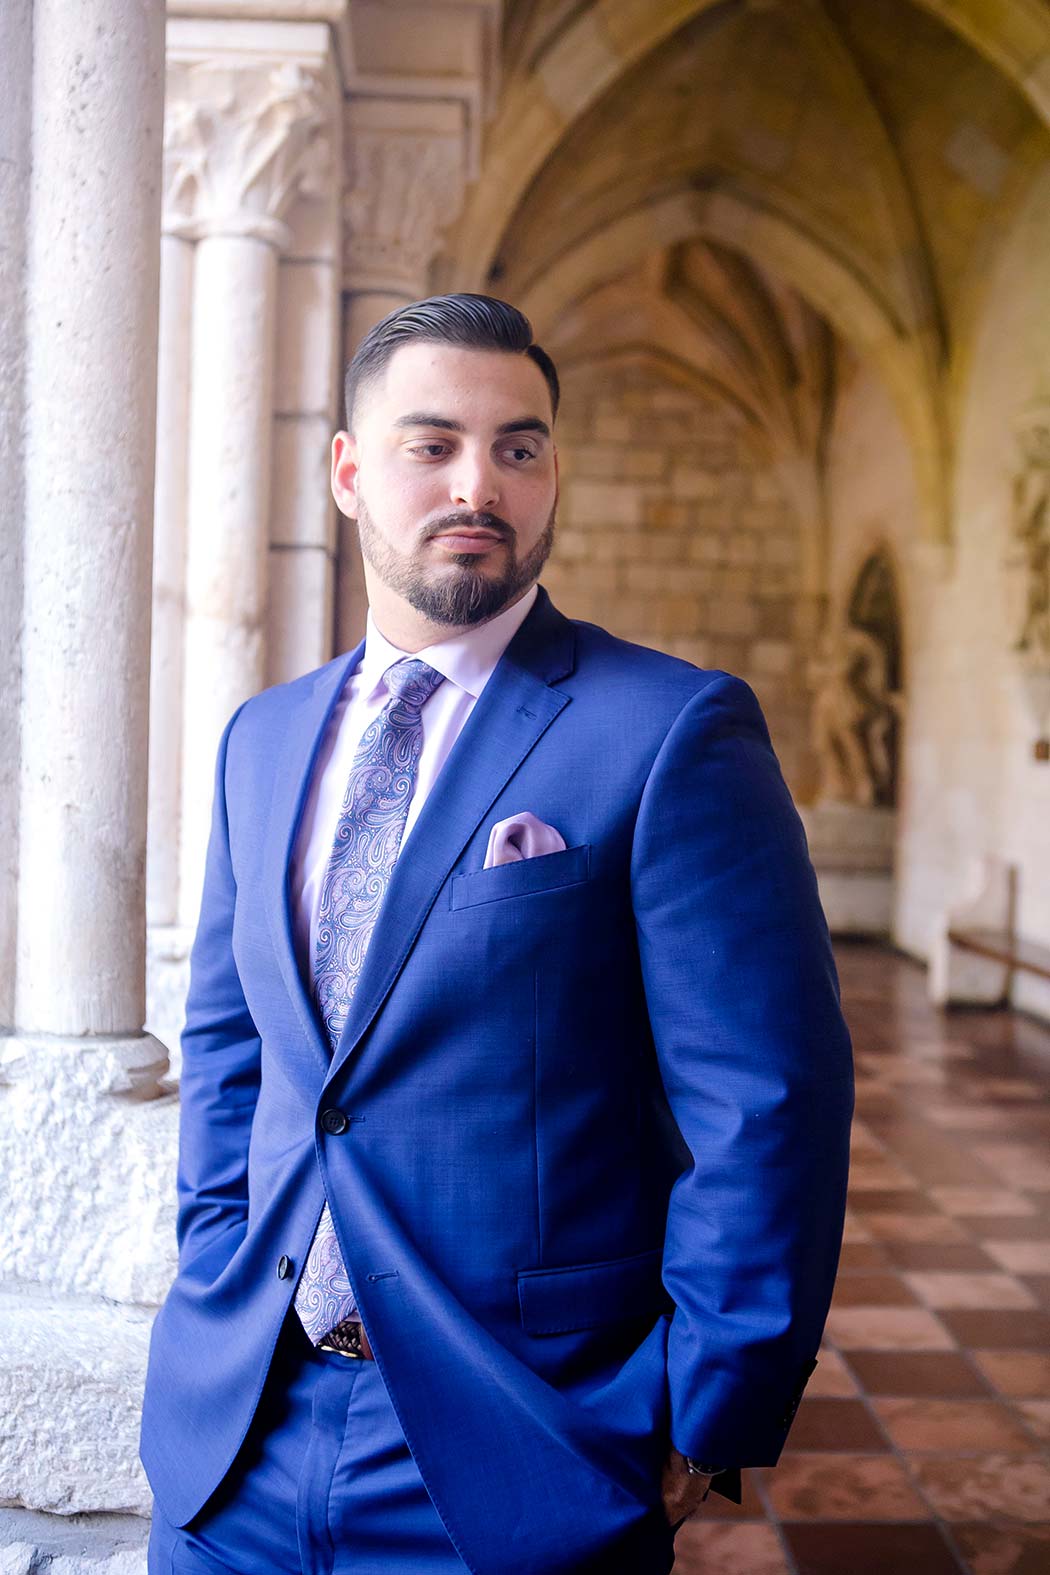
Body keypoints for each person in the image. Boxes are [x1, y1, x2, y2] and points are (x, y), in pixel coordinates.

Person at [141, 294, 854, 1575]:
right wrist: (213, 1267)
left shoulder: (670, 728)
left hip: (523, 1443)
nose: (480, 483)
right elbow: (233, 1047)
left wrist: (711, 1401)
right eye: (433, 445)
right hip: (237, 1437)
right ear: (351, 475)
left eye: (518, 447)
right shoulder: (264, 740)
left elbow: (767, 1100)